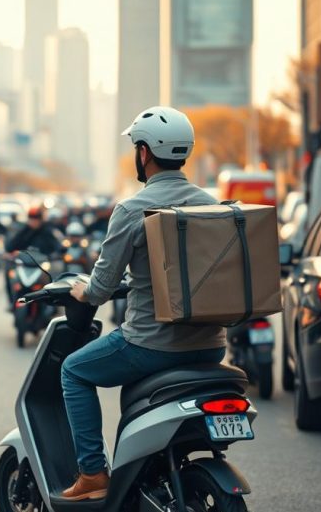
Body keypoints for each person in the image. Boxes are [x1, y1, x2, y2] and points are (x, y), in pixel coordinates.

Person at [59, 106, 226, 501]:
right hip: (211, 345)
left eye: (137, 146)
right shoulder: (212, 205)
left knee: (73, 371)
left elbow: (99, 288)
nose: (137, 153)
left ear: (145, 153)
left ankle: (93, 475)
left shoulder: (133, 209)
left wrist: (78, 290)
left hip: (152, 345)